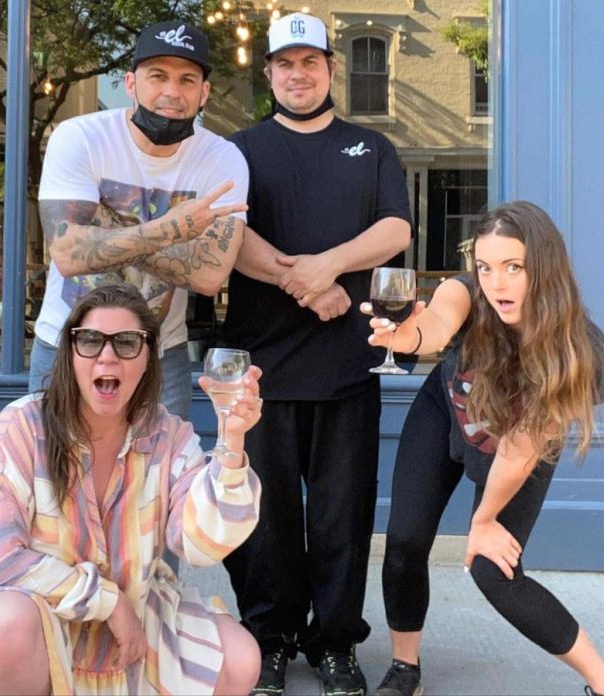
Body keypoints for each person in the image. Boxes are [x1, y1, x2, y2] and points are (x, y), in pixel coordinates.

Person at [0, 283, 263, 695]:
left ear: (148, 357)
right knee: (4, 628)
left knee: (240, 657)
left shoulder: (169, 436)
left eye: (126, 342)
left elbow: (201, 545)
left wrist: (232, 442)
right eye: (89, 340)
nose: (107, 355)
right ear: (70, 353)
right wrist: (108, 602)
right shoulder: (25, 425)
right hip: (36, 609)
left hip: (134, 617)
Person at [219, 12, 412, 696]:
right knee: (264, 522)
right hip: (261, 369)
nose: (298, 75)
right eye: (284, 65)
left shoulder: (372, 147)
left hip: (346, 369)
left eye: (310, 63)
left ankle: (335, 644)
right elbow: (229, 238)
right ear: (268, 75)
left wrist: (325, 268)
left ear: (331, 70)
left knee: (341, 519)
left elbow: (394, 228)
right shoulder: (238, 149)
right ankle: (266, 642)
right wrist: (306, 287)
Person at [362, 201, 604, 696]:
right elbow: (432, 327)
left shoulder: (581, 351)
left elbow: (520, 451)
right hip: (445, 414)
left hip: (517, 451)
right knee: (406, 543)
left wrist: (482, 524)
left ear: (543, 267)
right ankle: (404, 668)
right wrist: (404, 334)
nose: (496, 284)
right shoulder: (467, 293)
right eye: (485, 267)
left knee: (492, 570)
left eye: (513, 267)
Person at [29, 20, 249, 421]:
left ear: (204, 93)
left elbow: (208, 275)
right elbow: (67, 253)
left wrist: (103, 230)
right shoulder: (80, 137)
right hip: (67, 348)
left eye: (187, 80)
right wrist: (171, 230)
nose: (171, 92)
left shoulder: (223, 159)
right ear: (131, 83)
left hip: (160, 358)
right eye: (157, 76)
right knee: (53, 477)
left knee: (158, 481)